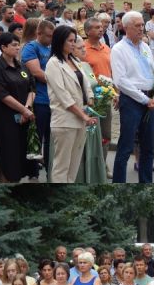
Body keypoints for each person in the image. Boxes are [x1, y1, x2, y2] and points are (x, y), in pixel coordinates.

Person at [111, 11, 154, 183]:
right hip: (132, 100)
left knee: (148, 148)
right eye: (137, 25)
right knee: (126, 146)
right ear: (125, 28)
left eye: (142, 25)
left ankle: (146, 182)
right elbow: (121, 81)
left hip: (150, 99)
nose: (141, 28)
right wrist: (145, 99)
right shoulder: (118, 49)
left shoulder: (146, 47)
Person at [45, 25, 96, 182]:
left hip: (81, 119)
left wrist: (91, 102)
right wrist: (84, 115)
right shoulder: (53, 63)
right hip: (65, 121)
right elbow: (63, 97)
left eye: (75, 41)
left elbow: (86, 84)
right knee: (62, 167)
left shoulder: (74, 60)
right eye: (70, 41)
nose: (73, 44)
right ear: (60, 41)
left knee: (74, 166)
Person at [0, 32, 36, 183]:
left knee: (22, 158)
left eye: (18, 44)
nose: (18, 48)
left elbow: (32, 88)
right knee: (9, 159)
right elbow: (2, 95)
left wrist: (27, 108)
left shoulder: (21, 66)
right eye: (14, 45)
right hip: (6, 120)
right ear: (3, 47)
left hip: (25, 118)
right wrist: (23, 110)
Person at [21, 20, 56, 181]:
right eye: (48, 36)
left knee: (51, 139)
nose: (50, 39)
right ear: (38, 33)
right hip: (39, 98)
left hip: (53, 99)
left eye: (52, 36)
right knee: (36, 137)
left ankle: (50, 171)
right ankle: (33, 173)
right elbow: (36, 72)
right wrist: (60, 82)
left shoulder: (51, 48)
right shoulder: (31, 47)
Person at [72, 34, 107, 183]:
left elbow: (93, 87)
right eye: (80, 48)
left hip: (93, 112)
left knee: (92, 150)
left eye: (83, 48)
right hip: (78, 113)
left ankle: (92, 177)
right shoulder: (67, 67)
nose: (84, 51)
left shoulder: (86, 65)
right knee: (78, 151)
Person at [84, 17, 114, 171]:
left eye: (101, 27)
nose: (101, 29)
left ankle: (102, 165)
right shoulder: (82, 50)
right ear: (87, 31)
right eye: (96, 27)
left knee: (106, 134)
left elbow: (112, 72)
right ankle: (90, 166)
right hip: (90, 100)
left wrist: (115, 93)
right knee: (91, 134)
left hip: (106, 99)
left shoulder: (107, 48)